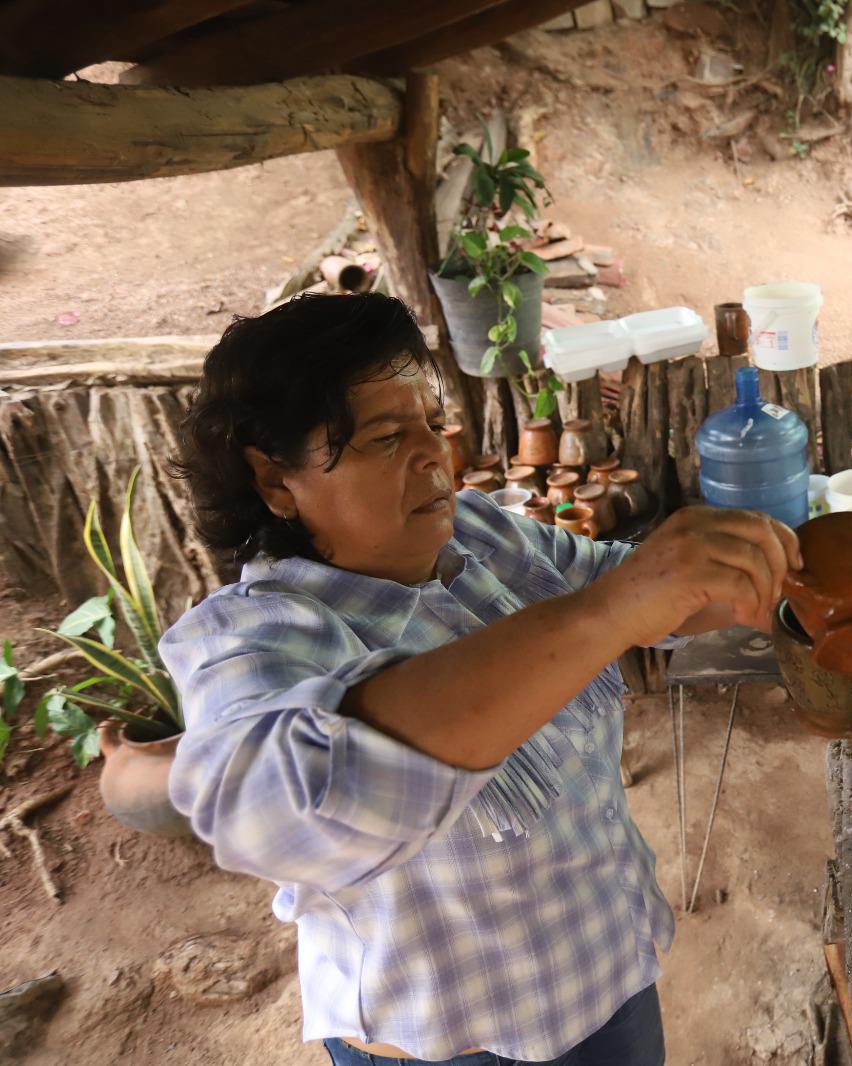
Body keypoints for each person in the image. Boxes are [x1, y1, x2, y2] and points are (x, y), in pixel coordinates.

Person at [163, 292, 801, 1064]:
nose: (433, 455)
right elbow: (274, 805)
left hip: (608, 969)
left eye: (434, 423)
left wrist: (768, 577)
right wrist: (610, 612)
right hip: (452, 1044)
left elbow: (628, 586)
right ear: (274, 480)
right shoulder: (252, 637)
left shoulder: (478, 534)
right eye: (386, 437)